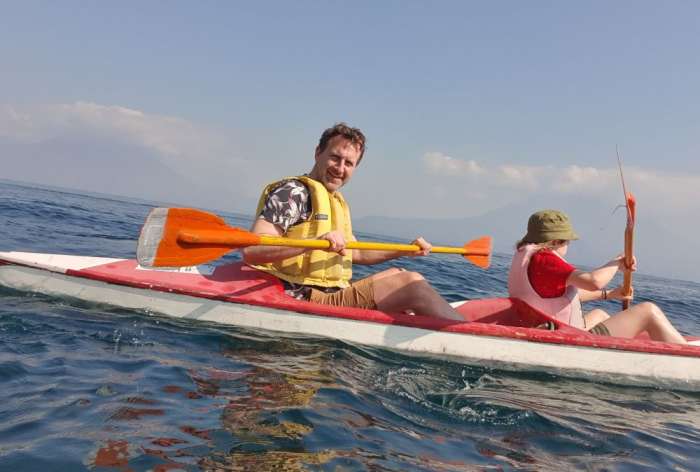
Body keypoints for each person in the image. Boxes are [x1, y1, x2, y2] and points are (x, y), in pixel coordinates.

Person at [242, 123, 463, 321]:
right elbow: (253, 250)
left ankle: (440, 323)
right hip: (300, 295)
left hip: (330, 292)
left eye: (349, 163)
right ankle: (471, 335)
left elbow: (356, 253)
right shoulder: (293, 192)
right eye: (335, 158)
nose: (340, 168)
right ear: (318, 153)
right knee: (411, 285)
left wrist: (404, 250)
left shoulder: (335, 200)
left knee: (398, 272)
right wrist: (313, 242)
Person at [508, 209, 687, 344]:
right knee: (649, 311)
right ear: (555, 242)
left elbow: (565, 297)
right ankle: (688, 358)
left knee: (600, 314)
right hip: (567, 340)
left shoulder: (527, 256)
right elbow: (594, 281)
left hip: (553, 330)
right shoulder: (545, 259)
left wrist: (609, 294)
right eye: (567, 242)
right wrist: (617, 262)